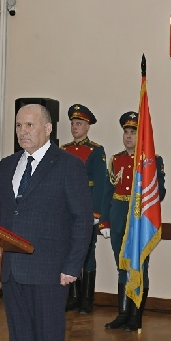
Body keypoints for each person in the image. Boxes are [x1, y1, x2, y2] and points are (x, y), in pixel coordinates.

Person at [0, 104, 93, 341]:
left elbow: (82, 220)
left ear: (48, 128)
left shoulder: (68, 166)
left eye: (30, 125)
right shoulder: (8, 165)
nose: (23, 131)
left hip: (50, 272)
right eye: (19, 125)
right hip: (13, 271)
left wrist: (71, 266)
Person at [99, 111, 166, 331]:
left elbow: (160, 193)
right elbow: (107, 193)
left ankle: (136, 315)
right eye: (126, 132)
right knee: (122, 266)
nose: (128, 136)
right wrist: (105, 222)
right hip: (118, 215)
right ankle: (123, 313)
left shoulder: (152, 160)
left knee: (139, 267)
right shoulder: (116, 160)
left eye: (133, 132)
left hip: (140, 219)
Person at [61, 104, 107, 314]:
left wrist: (96, 212)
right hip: (67, 211)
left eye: (79, 124)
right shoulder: (64, 150)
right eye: (73, 123)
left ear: (87, 127)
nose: (75, 127)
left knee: (87, 253)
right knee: (69, 253)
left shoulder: (96, 151)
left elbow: (101, 184)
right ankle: (73, 296)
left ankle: (87, 300)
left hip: (86, 210)